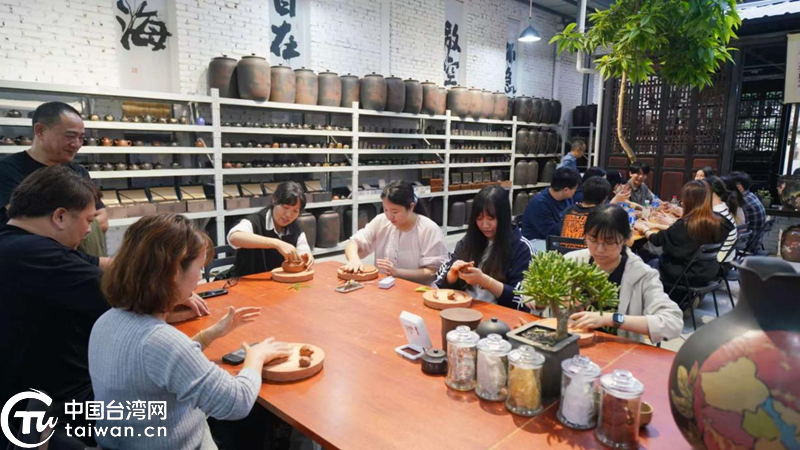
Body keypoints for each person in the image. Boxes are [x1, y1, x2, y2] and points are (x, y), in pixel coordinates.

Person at [89, 214, 291, 450]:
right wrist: (256, 357)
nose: (200, 277)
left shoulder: (106, 320)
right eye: (200, 267)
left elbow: (158, 366)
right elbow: (237, 402)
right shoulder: (160, 341)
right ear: (175, 272)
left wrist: (210, 334)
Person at [0, 165, 109, 443]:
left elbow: (101, 266)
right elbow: (130, 298)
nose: (89, 229)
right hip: (56, 408)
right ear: (60, 216)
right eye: (88, 220)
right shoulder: (39, 255)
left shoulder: (19, 243)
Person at [0, 101, 108, 257]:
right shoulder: (8, 170)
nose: (76, 144)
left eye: (81, 138)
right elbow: (31, 224)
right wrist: (83, 222)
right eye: (70, 136)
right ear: (40, 131)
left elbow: (102, 220)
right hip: (34, 261)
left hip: (80, 260)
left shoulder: (78, 172)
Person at [566, 204, 683, 344]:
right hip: (573, 344)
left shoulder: (642, 274)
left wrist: (611, 319)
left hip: (619, 349)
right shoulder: (572, 262)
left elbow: (672, 323)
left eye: (610, 242)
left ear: (626, 239)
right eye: (593, 240)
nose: (600, 249)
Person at [434, 186, 533, 309]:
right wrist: (451, 277)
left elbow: (522, 301)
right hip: (462, 308)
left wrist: (486, 282)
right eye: (479, 218)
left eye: (491, 218)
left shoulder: (521, 248)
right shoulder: (468, 241)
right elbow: (440, 283)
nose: (485, 225)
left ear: (504, 217)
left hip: (498, 315)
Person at [635, 181, 732, 297]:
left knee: (645, 260)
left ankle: (653, 300)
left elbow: (657, 240)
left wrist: (644, 228)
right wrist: (659, 225)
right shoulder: (719, 221)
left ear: (689, 200)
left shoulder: (685, 225)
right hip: (709, 270)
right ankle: (687, 299)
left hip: (685, 274)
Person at [343, 180, 448, 285]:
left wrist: (398, 273)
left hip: (417, 290)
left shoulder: (428, 229)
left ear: (411, 207)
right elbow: (353, 242)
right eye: (385, 210)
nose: (389, 216)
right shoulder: (381, 221)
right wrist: (354, 259)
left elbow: (434, 273)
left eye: (395, 212)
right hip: (384, 287)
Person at [228, 181, 314, 277]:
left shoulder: (295, 227)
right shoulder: (256, 221)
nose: (289, 215)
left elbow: (302, 248)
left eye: (295, 211)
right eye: (285, 207)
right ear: (274, 200)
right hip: (246, 280)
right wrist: (276, 243)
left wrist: (305, 255)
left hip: (277, 282)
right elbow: (234, 237)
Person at [521, 167, 581, 247]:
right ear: (566, 190)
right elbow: (552, 233)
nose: (575, 191)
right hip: (537, 241)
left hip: (557, 238)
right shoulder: (539, 204)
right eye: (575, 189)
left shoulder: (567, 199)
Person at [559, 177, 612, 242]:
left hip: (563, 247)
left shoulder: (568, 210)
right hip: (588, 248)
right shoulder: (601, 215)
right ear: (604, 198)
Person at [728, 171, 767, 250]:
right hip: (756, 242)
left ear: (738, 187)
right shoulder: (752, 196)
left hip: (747, 245)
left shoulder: (743, 201)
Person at [705, 176, 739, 263]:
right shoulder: (724, 208)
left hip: (716, 261)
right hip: (726, 259)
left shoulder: (716, 215)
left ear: (709, 193)